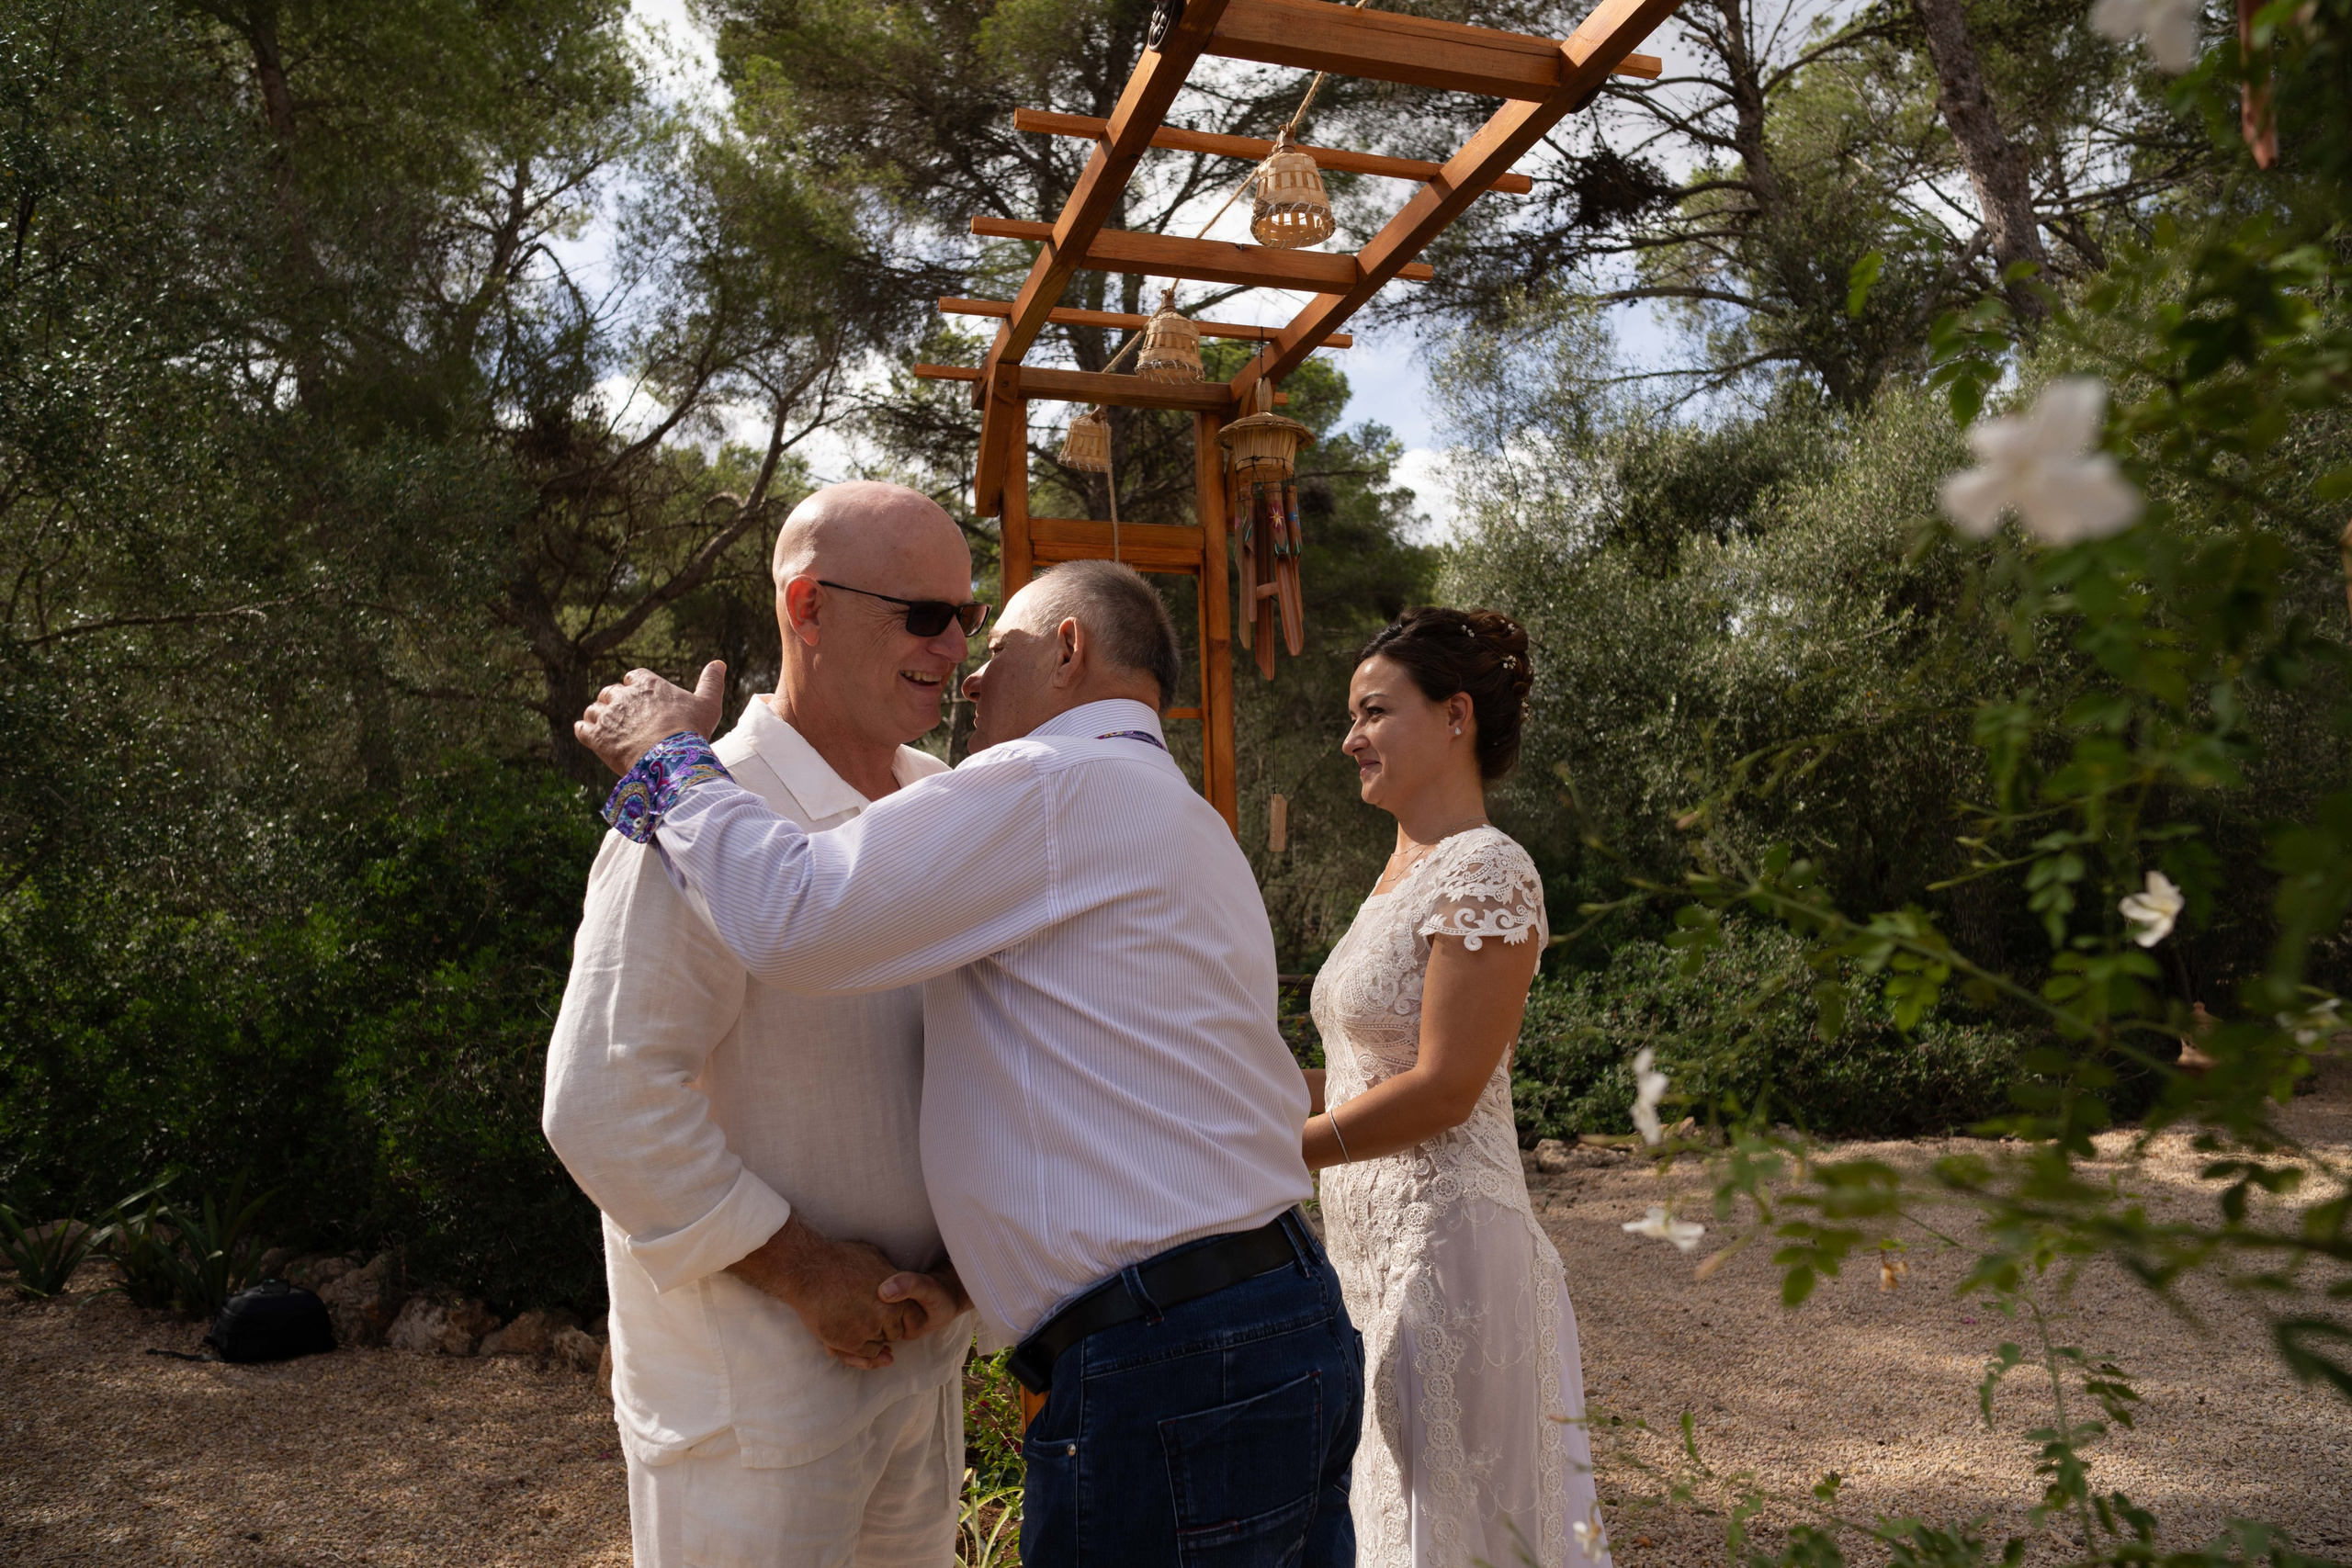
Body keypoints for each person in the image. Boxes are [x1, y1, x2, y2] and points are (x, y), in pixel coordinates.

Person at [572, 559, 1363, 1568]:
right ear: (807, 607)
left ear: (1069, 650)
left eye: (988, 639)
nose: (966, 669)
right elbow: (1096, 1089)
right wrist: (961, 1274)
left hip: (1169, 1359)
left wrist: (669, 760)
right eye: (929, 617)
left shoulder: (1044, 784)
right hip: (1274, 1321)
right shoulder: (1179, 815)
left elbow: (796, 917)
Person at [541, 482, 980, 1568]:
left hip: (920, 1369)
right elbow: (602, 1101)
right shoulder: (691, 809)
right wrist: (806, 1274)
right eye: (925, 615)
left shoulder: (940, 797)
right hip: (755, 1410)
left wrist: (964, 1274)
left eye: (967, 615)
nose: (955, 646)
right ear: (806, 607)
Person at [1301, 608, 1611, 1568]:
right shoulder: (1395, 877)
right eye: (1351, 717)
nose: (1351, 738)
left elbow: (1444, 1087)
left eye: (1373, 712)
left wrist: (1276, 1149)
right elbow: (1361, 1071)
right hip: (1365, 1256)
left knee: (1457, 1534)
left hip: (1448, 1256)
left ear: (1454, 715)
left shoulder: (1488, 869)